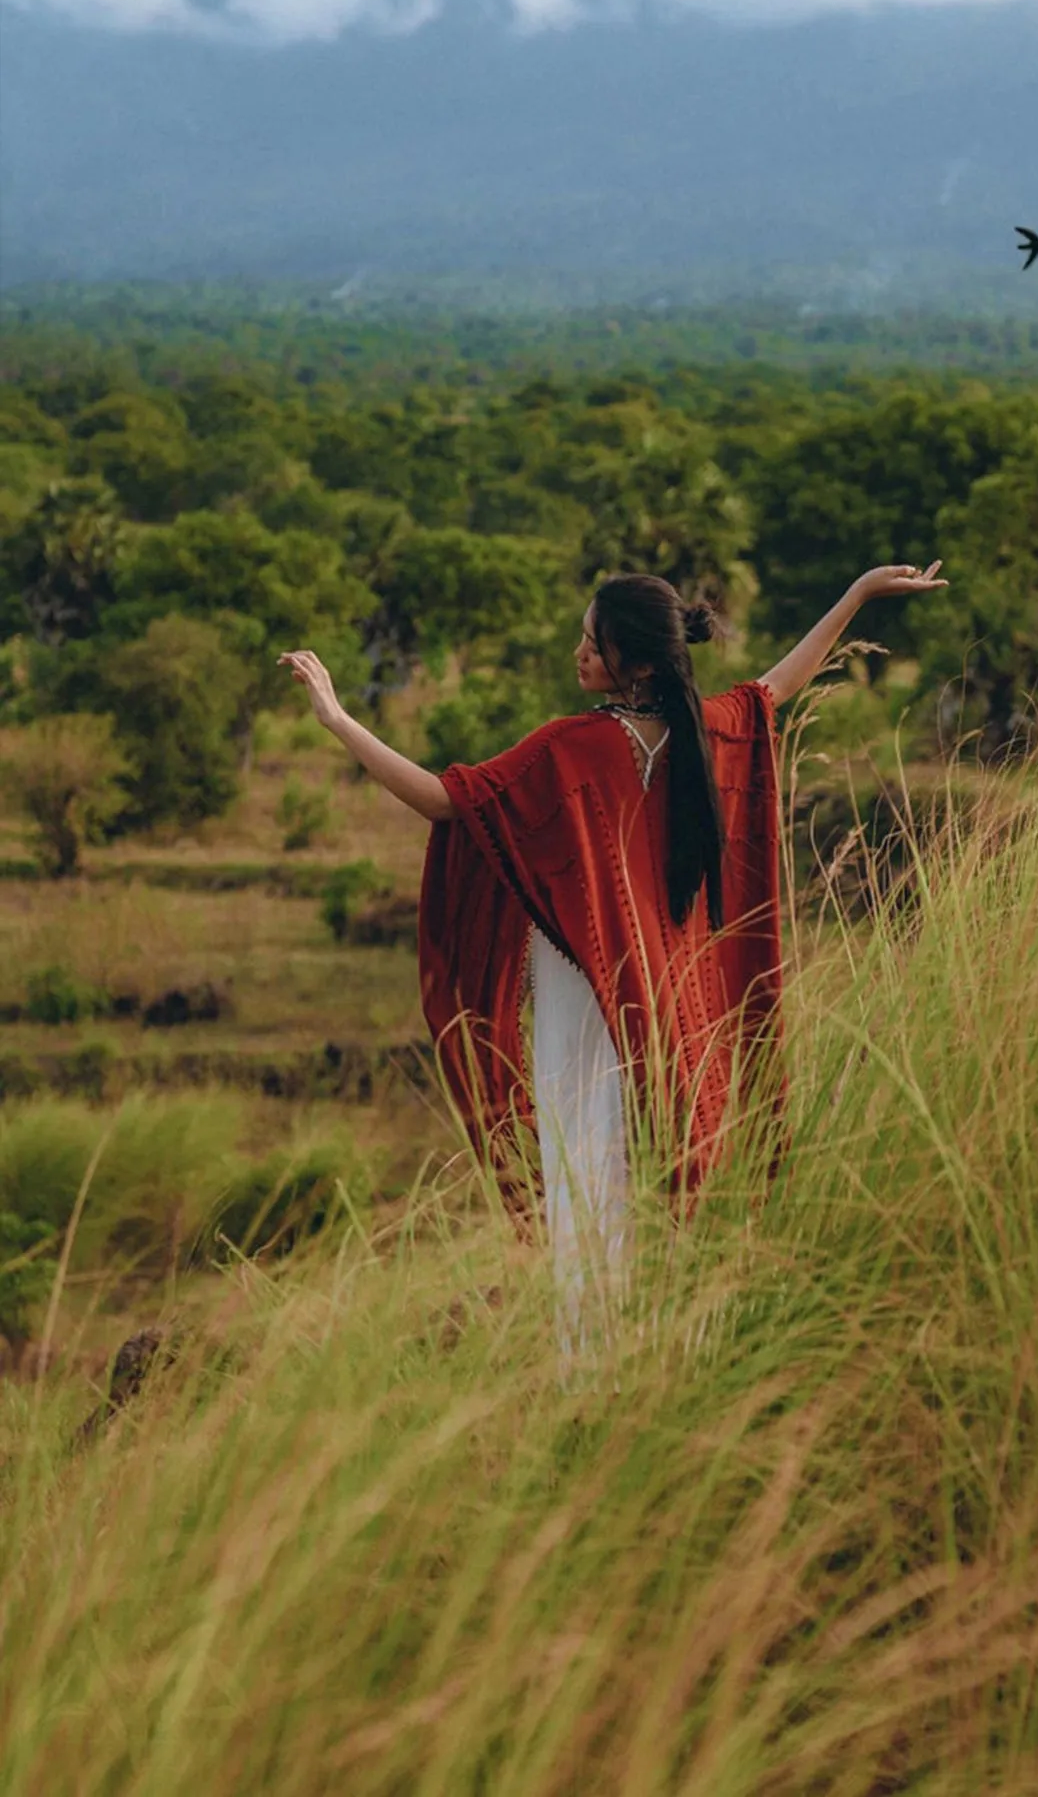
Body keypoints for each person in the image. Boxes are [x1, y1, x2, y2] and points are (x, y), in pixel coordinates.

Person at [279, 559, 946, 1342]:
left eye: (588, 642)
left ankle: (593, 1355)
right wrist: (857, 593)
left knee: (587, 1164)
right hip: (668, 996)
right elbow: (777, 687)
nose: (576, 653)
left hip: (580, 987)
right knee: (656, 1153)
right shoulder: (711, 728)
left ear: (628, 660)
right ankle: (670, 1342)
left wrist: (335, 716)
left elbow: (441, 799)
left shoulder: (568, 750)